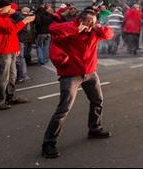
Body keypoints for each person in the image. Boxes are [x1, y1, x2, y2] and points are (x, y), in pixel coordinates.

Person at [41, 8, 113, 159]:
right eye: (88, 22)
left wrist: (98, 27)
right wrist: (75, 29)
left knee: (97, 100)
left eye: (93, 22)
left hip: (90, 72)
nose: (91, 25)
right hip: (71, 74)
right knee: (63, 109)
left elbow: (108, 34)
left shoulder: (94, 31)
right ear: (80, 20)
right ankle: (49, 143)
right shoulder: (69, 29)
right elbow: (53, 30)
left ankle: (94, 128)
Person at [0, 0, 35, 111]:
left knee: (12, 76)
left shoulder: (5, 18)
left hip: (10, 50)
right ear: (1, 9)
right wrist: (25, 21)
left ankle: (9, 97)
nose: (11, 10)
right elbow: (11, 30)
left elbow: (13, 34)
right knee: (2, 78)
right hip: (2, 51)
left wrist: (16, 48)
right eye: (9, 8)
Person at [12, 6, 33, 82]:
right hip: (24, 39)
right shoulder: (26, 17)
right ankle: (22, 75)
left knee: (19, 58)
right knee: (21, 58)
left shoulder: (20, 18)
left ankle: (22, 75)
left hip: (19, 39)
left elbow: (20, 30)